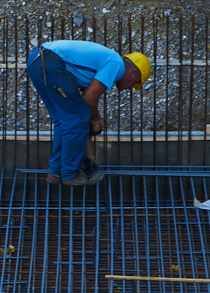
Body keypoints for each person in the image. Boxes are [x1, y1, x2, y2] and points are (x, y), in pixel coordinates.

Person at [26, 40, 152, 186]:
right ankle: (71, 174)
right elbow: (88, 100)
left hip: (36, 60)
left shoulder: (100, 69)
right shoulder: (117, 65)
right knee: (75, 117)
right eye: (135, 83)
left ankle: (56, 172)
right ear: (132, 73)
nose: (131, 88)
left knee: (64, 119)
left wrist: (90, 156)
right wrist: (97, 120)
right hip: (51, 62)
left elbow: (86, 111)